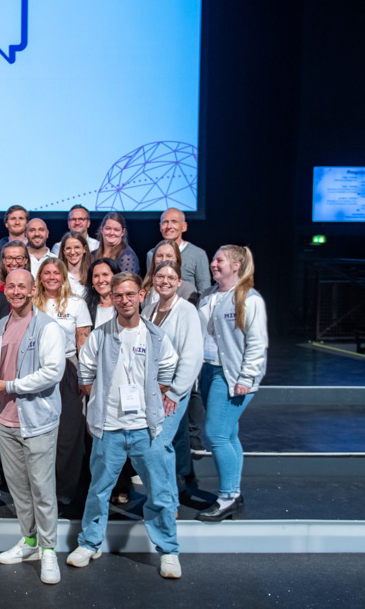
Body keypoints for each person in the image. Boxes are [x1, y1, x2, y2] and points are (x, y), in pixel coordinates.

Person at [67, 273, 182, 579]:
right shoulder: (101, 334)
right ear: (112, 298)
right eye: (119, 295)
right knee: (99, 490)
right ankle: (90, 543)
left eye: (130, 294)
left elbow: (169, 367)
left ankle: (168, 551)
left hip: (147, 429)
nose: (125, 300)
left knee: (159, 493)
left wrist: (156, 394)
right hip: (110, 429)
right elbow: (86, 373)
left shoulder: (156, 336)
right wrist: (100, 403)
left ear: (141, 296)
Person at [0, 268, 65, 585]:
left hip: (37, 421)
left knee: (43, 490)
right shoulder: (2, 324)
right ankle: (29, 542)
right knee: (19, 490)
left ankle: (48, 551)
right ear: (6, 291)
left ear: (33, 290)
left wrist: (9, 385)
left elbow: (52, 372)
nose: (17, 291)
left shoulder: (48, 327)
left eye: (23, 287)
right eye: (12, 286)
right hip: (5, 419)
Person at [195, 246, 267, 522]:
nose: (213, 264)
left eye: (219, 260)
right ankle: (234, 492)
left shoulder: (248, 298)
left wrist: (246, 378)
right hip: (209, 370)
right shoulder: (209, 296)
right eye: (213, 259)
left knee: (216, 434)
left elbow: (257, 343)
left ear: (236, 265)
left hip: (232, 375)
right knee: (229, 434)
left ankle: (227, 498)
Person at [142, 260, 205, 498]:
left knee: (159, 444)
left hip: (172, 392)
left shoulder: (187, 310)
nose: (164, 281)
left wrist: (175, 391)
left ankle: (167, 499)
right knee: (155, 445)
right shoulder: (149, 310)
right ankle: (163, 496)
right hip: (151, 389)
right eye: (160, 277)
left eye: (170, 278)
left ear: (179, 282)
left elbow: (192, 355)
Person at [33, 258, 92, 506]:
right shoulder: (32, 303)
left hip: (69, 369)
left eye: (56, 273)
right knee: (40, 433)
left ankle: (64, 488)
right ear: (40, 277)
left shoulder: (77, 304)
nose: (51, 277)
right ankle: (39, 489)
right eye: (46, 273)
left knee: (68, 432)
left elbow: (83, 341)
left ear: (64, 276)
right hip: (38, 370)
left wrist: (85, 375)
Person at [145, 207, 211, 293]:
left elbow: (204, 291)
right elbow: (150, 285)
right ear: (160, 226)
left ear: (184, 227)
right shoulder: (152, 254)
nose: (169, 226)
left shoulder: (198, 254)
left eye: (174, 222)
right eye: (165, 222)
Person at [143, 240, 199, 308]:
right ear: (154, 260)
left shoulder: (187, 289)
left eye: (169, 256)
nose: (163, 260)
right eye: (159, 256)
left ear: (177, 260)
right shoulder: (146, 288)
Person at [84, 258, 119, 329]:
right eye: (96, 276)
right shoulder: (86, 307)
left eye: (105, 274)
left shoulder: (126, 305)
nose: (100, 280)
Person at [59, 232, 90, 298]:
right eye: (68, 248)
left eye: (77, 247)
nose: (72, 252)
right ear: (63, 251)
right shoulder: (58, 275)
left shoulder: (92, 274)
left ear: (84, 249)